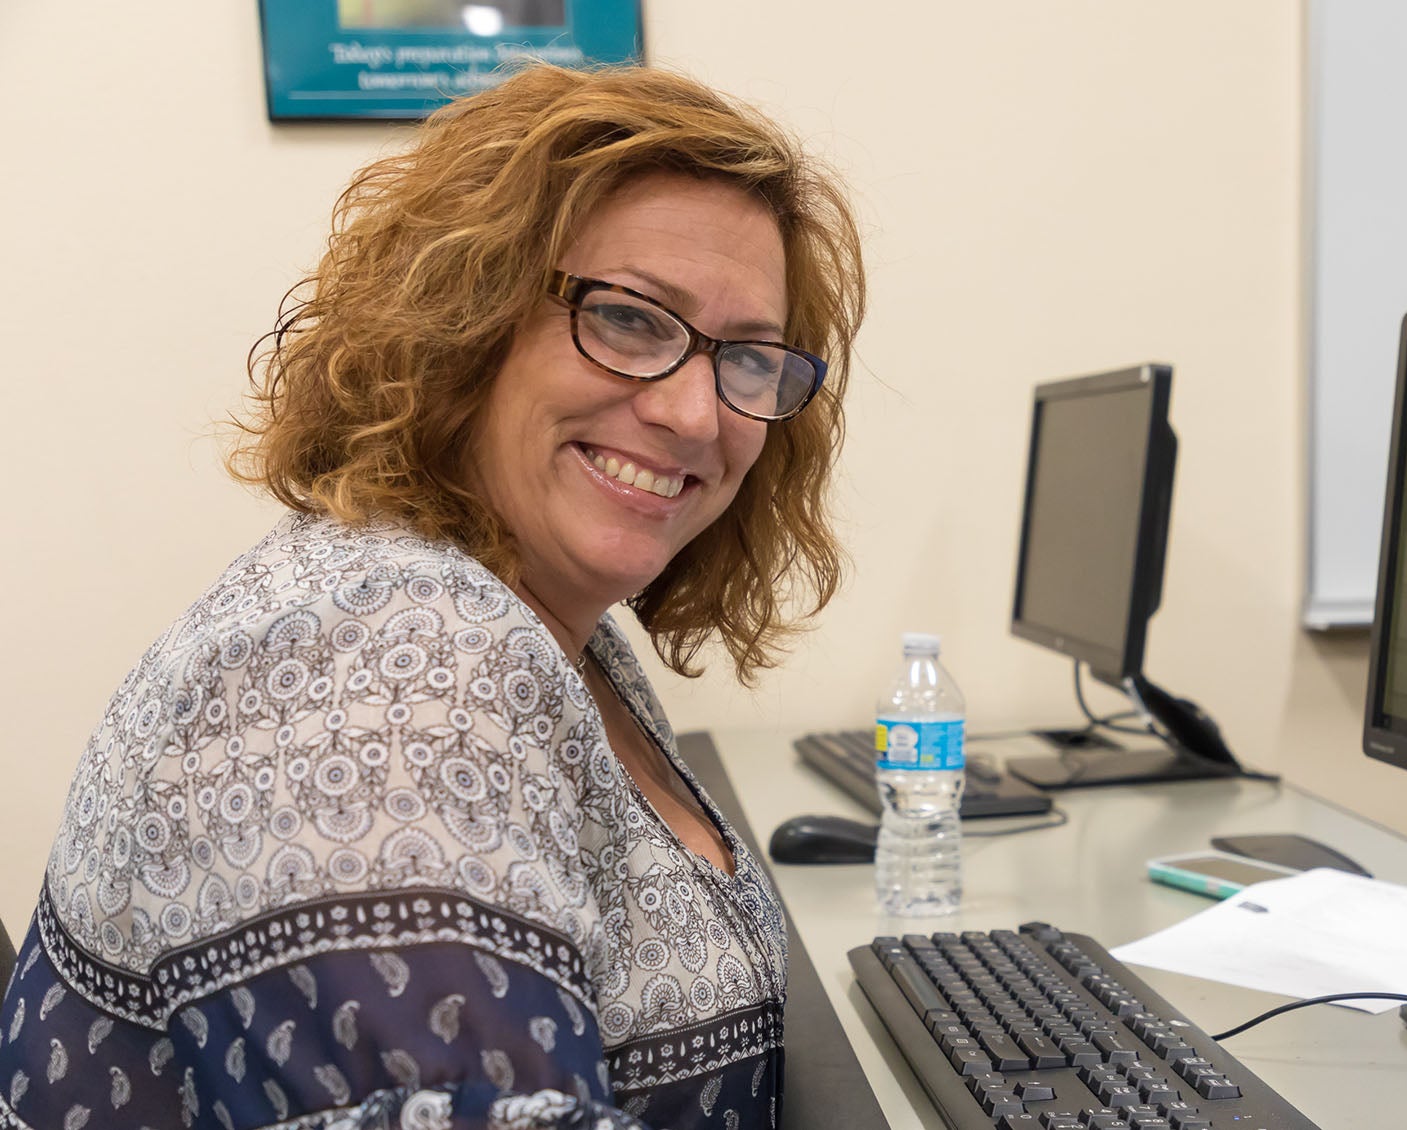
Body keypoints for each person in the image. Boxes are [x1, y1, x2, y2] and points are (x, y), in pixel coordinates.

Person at [0, 61, 864, 1129]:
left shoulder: (548, 623)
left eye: (746, 358)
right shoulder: (377, 661)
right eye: (633, 319)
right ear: (464, 316)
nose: (696, 414)